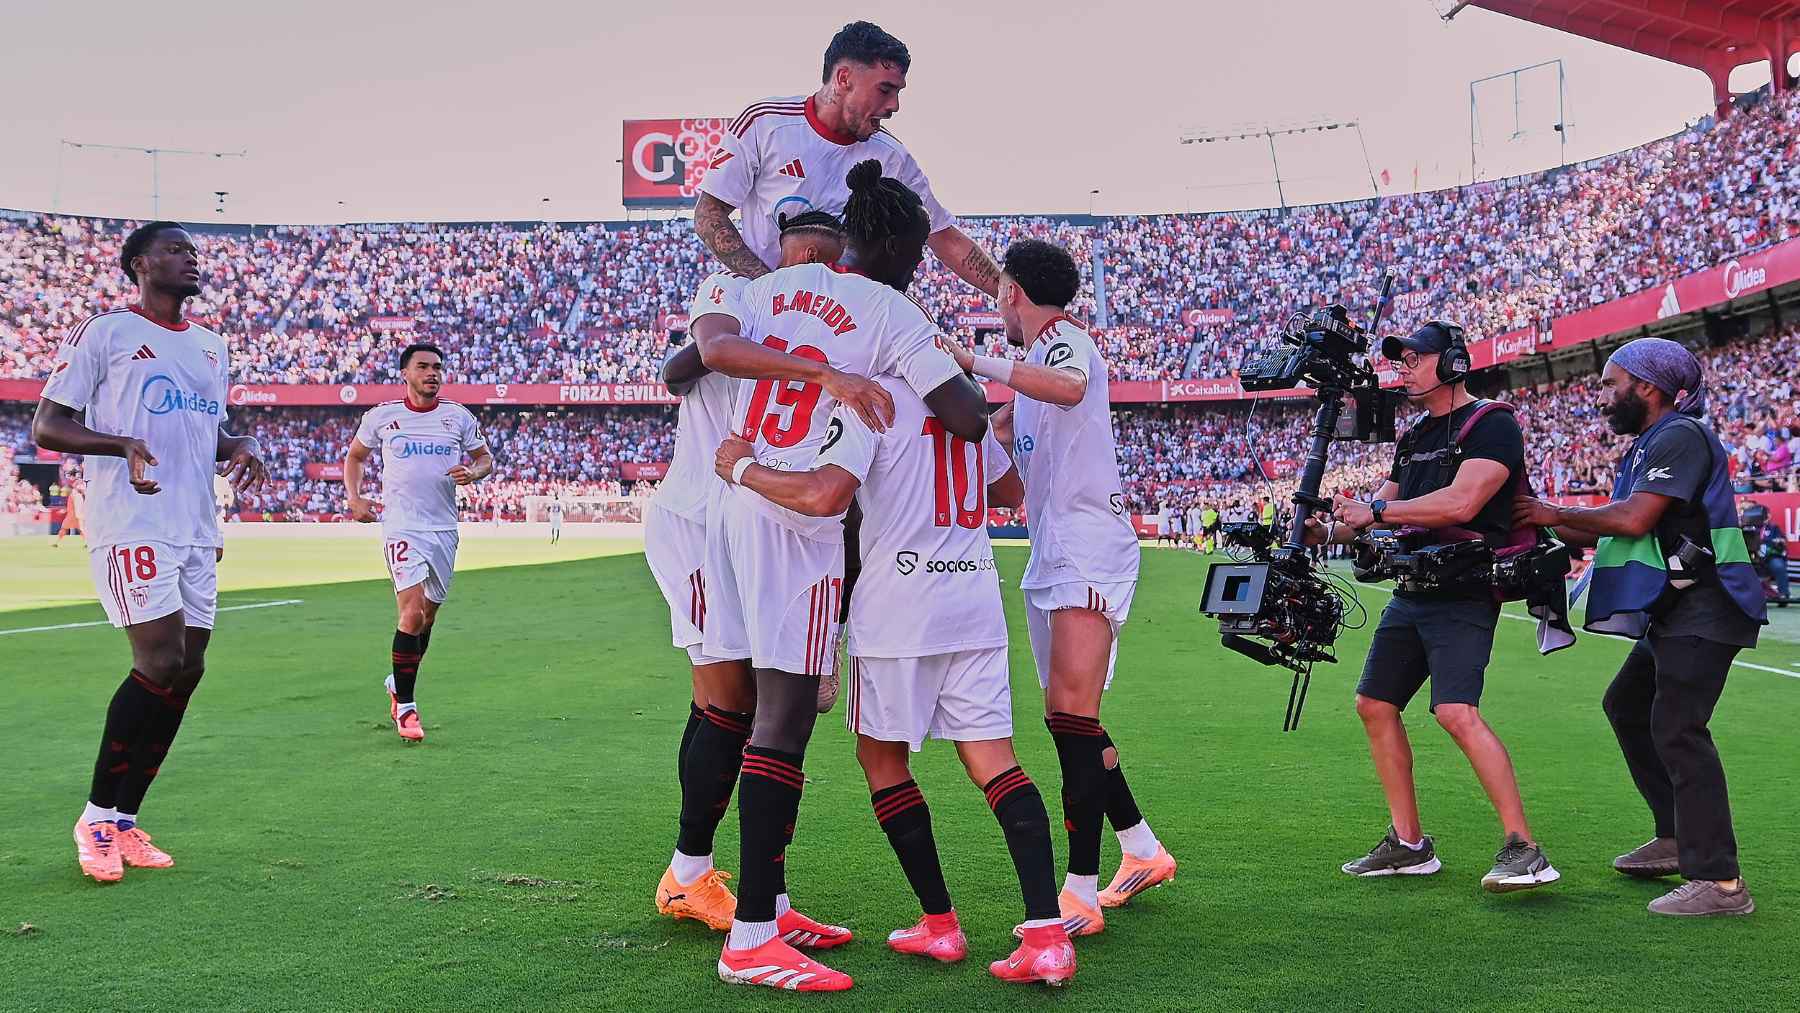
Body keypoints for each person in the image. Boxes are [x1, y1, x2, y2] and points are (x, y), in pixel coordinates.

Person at [697, 161, 988, 992]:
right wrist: (919, 365)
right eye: (919, 255)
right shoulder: (891, 310)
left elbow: (710, 351)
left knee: (772, 709)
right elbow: (966, 418)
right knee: (784, 719)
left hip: (740, 499)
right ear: (896, 248)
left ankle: (772, 904)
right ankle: (752, 937)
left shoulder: (763, 289)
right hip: (801, 516)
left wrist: (816, 374)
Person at [715, 372, 1077, 985]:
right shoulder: (961, 397)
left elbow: (825, 495)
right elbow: (1010, 489)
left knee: (882, 759)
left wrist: (743, 469)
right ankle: (1046, 935)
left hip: (898, 607)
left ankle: (940, 923)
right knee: (997, 762)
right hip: (972, 598)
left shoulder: (870, 397)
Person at [944, 239, 1174, 939]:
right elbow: (1005, 474)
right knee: (1069, 717)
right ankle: (1141, 848)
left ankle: (1078, 893)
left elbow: (1070, 388)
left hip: (1087, 550)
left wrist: (975, 362)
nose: (997, 306)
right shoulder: (1031, 375)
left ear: (1013, 291)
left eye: (999, 293)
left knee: (1073, 717)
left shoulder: (1064, 344)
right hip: (1054, 550)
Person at [33, 221, 268, 883]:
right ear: (139, 263)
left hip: (195, 526)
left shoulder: (212, 346)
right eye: (174, 249)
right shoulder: (104, 331)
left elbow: (209, 433)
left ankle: (125, 819)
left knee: (187, 669)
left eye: (194, 250)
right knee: (159, 658)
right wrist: (120, 444)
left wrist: (242, 445)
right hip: (132, 520)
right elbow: (48, 424)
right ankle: (94, 817)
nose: (190, 258)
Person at [648, 210, 853, 934]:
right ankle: (689, 874)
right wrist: (812, 366)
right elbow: (689, 363)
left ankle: (767, 896)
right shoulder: (733, 293)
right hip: (701, 518)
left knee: (769, 711)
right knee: (731, 703)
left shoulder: (833, 322)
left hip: (757, 521)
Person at [1516, 337, 1767, 916]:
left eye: (1610, 383)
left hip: (1709, 605)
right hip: (1679, 608)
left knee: (1679, 728)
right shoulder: (1649, 444)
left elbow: (1633, 519)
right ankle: (1677, 837)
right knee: (1628, 705)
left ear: (1647, 387)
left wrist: (1553, 512)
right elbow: (1602, 527)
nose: (1601, 394)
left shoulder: (1679, 434)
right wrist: (1533, 516)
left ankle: (1721, 882)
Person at [1311, 321, 1557, 893]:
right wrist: (1330, 528)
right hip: (1414, 588)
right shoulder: (1416, 434)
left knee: (1455, 712)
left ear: (1452, 364)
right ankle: (1409, 844)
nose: (1403, 370)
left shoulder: (1492, 423)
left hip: (1465, 590)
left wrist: (1375, 513)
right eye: (1400, 360)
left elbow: (1462, 502)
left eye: (1414, 359)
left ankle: (1525, 848)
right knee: (1374, 704)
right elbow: (1381, 509)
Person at [693, 20, 1001, 297]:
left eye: (898, 92)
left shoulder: (892, 157)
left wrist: (1013, 300)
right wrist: (770, 289)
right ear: (843, 78)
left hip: (843, 322)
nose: (894, 105)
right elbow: (709, 213)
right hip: (762, 312)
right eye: (885, 89)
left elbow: (945, 238)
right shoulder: (765, 124)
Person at [343, 343, 494, 743]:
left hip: (443, 528)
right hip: (402, 527)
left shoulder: (457, 417)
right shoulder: (382, 417)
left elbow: (485, 458)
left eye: (437, 367)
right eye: (423, 366)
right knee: (410, 615)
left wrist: (474, 472)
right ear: (405, 373)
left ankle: (398, 683)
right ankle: (407, 708)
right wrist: (354, 498)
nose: (432, 373)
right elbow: (355, 457)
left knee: (427, 618)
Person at [1761, 516, 1790, 605]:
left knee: (1778, 566)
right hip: (1750, 557)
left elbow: (1782, 541)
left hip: (1770, 557)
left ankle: (1783, 595)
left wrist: (1779, 541)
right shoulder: (1746, 527)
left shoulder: (1774, 528)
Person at [55, 478, 86, 547]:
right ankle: (57, 542)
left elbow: (78, 506)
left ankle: (57, 542)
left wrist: (79, 515)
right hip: (72, 515)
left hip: (73, 515)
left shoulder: (76, 495)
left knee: (79, 529)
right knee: (79, 529)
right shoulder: (75, 494)